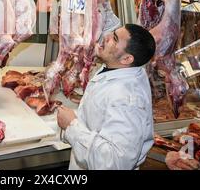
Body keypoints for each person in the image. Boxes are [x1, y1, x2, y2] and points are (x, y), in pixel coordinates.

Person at [57, 23, 156, 170]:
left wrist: (72, 126)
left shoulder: (127, 101)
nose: (106, 36)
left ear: (127, 59)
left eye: (114, 39)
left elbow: (114, 163)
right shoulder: (115, 70)